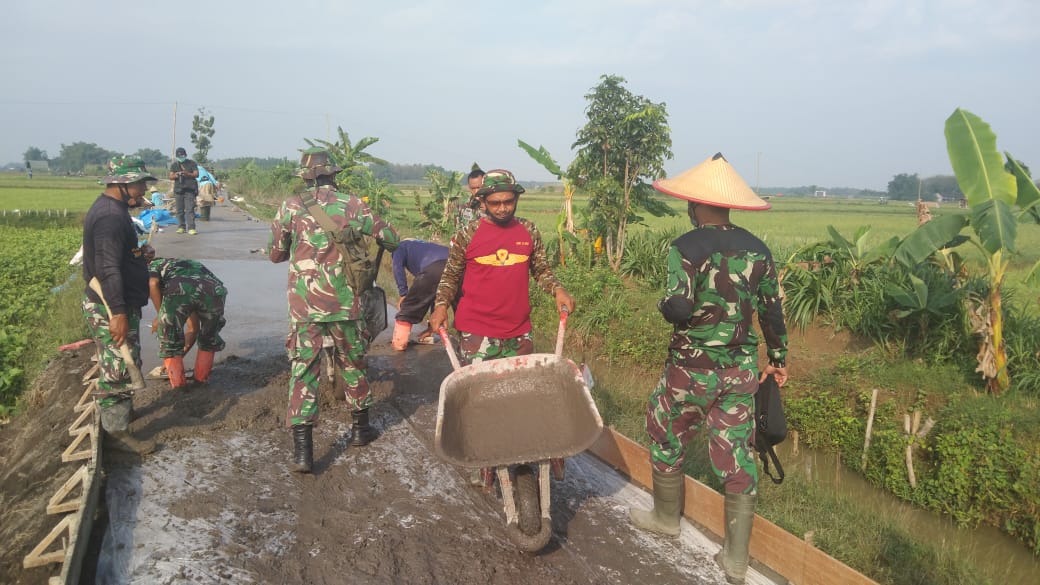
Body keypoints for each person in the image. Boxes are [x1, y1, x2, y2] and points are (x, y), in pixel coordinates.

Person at [627, 153, 789, 585]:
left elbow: (679, 306)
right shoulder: (759, 249)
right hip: (740, 371)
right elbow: (772, 313)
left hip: (690, 370)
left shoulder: (685, 247)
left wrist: (666, 305)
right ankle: (735, 561)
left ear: (696, 204)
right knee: (736, 456)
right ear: (730, 204)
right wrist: (778, 360)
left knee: (666, 431)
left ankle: (665, 519)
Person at [428, 168, 575, 486]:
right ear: (482, 201)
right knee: (481, 400)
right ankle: (484, 457)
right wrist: (441, 305)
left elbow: (542, 270)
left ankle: (521, 449)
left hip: (519, 330)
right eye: (495, 203)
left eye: (509, 201)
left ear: (517, 198)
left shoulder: (529, 231)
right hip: (477, 331)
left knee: (520, 397)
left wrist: (557, 289)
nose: (503, 208)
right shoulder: (468, 234)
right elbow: (450, 276)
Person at [268, 147, 400, 473]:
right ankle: (359, 429)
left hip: (304, 308)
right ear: (334, 174)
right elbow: (392, 237)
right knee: (353, 363)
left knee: (303, 371)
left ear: (305, 175)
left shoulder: (290, 206)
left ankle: (303, 452)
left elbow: (276, 254)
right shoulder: (353, 204)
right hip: (345, 303)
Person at [82, 155, 159, 455]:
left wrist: (139, 255)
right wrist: (117, 313)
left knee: (127, 362)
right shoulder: (110, 218)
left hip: (119, 303)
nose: (143, 190)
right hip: (111, 306)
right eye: (140, 184)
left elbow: (118, 258)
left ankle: (121, 414)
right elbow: (107, 269)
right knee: (117, 368)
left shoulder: (114, 210)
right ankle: (116, 434)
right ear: (124, 184)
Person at [146, 248, 227, 389]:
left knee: (169, 337)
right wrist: (179, 355)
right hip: (214, 291)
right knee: (209, 337)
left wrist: (160, 316)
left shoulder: (152, 265)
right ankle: (201, 381)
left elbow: (152, 284)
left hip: (180, 291)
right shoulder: (182, 265)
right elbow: (193, 328)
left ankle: (179, 388)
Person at [390, 239, 449, 350]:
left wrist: (403, 293)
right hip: (455, 267)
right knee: (457, 310)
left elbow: (397, 267)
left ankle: (399, 343)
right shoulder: (425, 246)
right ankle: (467, 350)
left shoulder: (400, 246)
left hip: (434, 267)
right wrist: (431, 327)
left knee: (408, 309)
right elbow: (433, 293)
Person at [168, 147, 199, 235]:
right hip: (178, 190)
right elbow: (170, 176)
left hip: (189, 189)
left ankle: (191, 228)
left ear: (186, 155)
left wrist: (187, 174)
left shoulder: (191, 163)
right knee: (179, 210)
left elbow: (196, 174)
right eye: (179, 156)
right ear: (176, 156)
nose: (181, 157)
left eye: (183, 156)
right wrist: (177, 174)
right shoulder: (174, 165)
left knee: (190, 209)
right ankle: (181, 227)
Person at [454, 164, 485, 231]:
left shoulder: (495, 206)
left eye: (479, 187)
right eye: (473, 188)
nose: (476, 191)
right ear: (469, 187)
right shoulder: (462, 206)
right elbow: (457, 229)